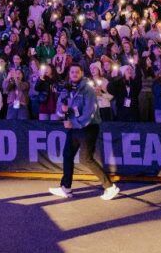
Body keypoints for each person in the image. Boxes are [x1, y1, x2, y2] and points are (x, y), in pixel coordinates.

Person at [49, 65, 119, 201]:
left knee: (86, 159)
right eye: (72, 72)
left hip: (88, 127)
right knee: (67, 155)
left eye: (77, 72)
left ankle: (110, 187)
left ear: (81, 73)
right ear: (69, 74)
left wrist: (73, 123)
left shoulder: (88, 89)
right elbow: (59, 110)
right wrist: (62, 112)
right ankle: (66, 188)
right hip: (74, 127)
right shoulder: (66, 89)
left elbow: (89, 113)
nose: (74, 74)